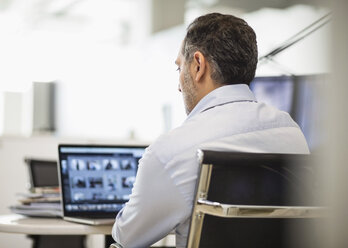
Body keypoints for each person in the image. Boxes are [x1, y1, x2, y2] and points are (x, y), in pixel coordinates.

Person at [112, 13, 309, 248]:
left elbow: (127, 237)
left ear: (198, 65)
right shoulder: (292, 133)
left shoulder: (171, 151)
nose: (178, 85)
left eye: (179, 69)